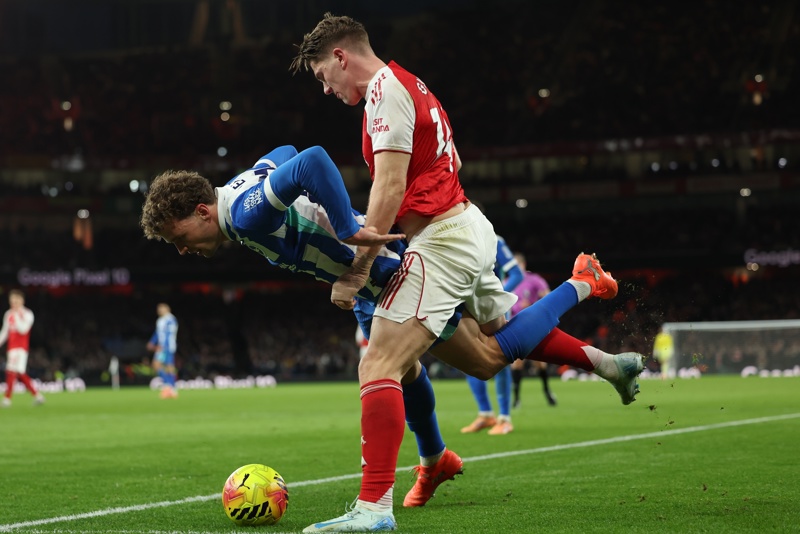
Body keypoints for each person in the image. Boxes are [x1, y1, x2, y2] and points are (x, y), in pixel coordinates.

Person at [140, 144, 643, 517]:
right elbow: (283, 153)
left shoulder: (247, 215)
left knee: (482, 359)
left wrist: (347, 232)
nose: (181, 250)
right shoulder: (240, 193)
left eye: (177, 237)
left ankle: (580, 285)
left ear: (202, 212)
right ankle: (598, 362)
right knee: (419, 367)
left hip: (390, 270)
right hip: (375, 283)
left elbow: (311, 159)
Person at [291, 14, 642, 532]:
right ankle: (605, 349)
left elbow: (387, 190)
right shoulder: (409, 84)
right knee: (492, 350)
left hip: (443, 237)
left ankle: (371, 511)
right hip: (463, 225)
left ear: (341, 56)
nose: (325, 88)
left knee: (380, 363)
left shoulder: (384, 91)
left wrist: (357, 268)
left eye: (323, 75)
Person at [461, 235, 523, 436]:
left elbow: (516, 274)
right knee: (467, 358)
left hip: (492, 310)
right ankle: (486, 413)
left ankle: (505, 418)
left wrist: (493, 298)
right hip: (468, 309)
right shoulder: (457, 237)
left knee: (499, 357)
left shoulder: (493, 239)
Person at [508, 252, 556, 410]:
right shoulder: (506, 282)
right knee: (516, 363)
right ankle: (516, 399)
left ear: (523, 264)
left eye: (517, 264)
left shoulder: (533, 280)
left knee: (539, 364)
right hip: (515, 326)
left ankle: (547, 391)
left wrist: (533, 306)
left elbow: (547, 296)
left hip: (533, 325)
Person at [0, 289, 44, 407]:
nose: (13, 303)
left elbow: (23, 329)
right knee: (18, 372)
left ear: (21, 301)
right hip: (11, 347)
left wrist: (17, 315)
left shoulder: (28, 314)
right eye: (11, 301)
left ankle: (7, 399)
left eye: (16, 300)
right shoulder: (8, 314)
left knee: (11, 370)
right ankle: (38, 396)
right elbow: (5, 332)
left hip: (21, 348)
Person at [147, 302, 179, 399]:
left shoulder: (170, 319)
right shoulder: (160, 320)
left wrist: (164, 346)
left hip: (167, 347)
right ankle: (171, 388)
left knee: (161, 365)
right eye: (159, 308)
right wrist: (152, 342)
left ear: (167, 309)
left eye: (161, 308)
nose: (159, 310)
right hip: (163, 346)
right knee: (164, 366)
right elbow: (158, 333)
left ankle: (169, 387)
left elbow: (169, 334)